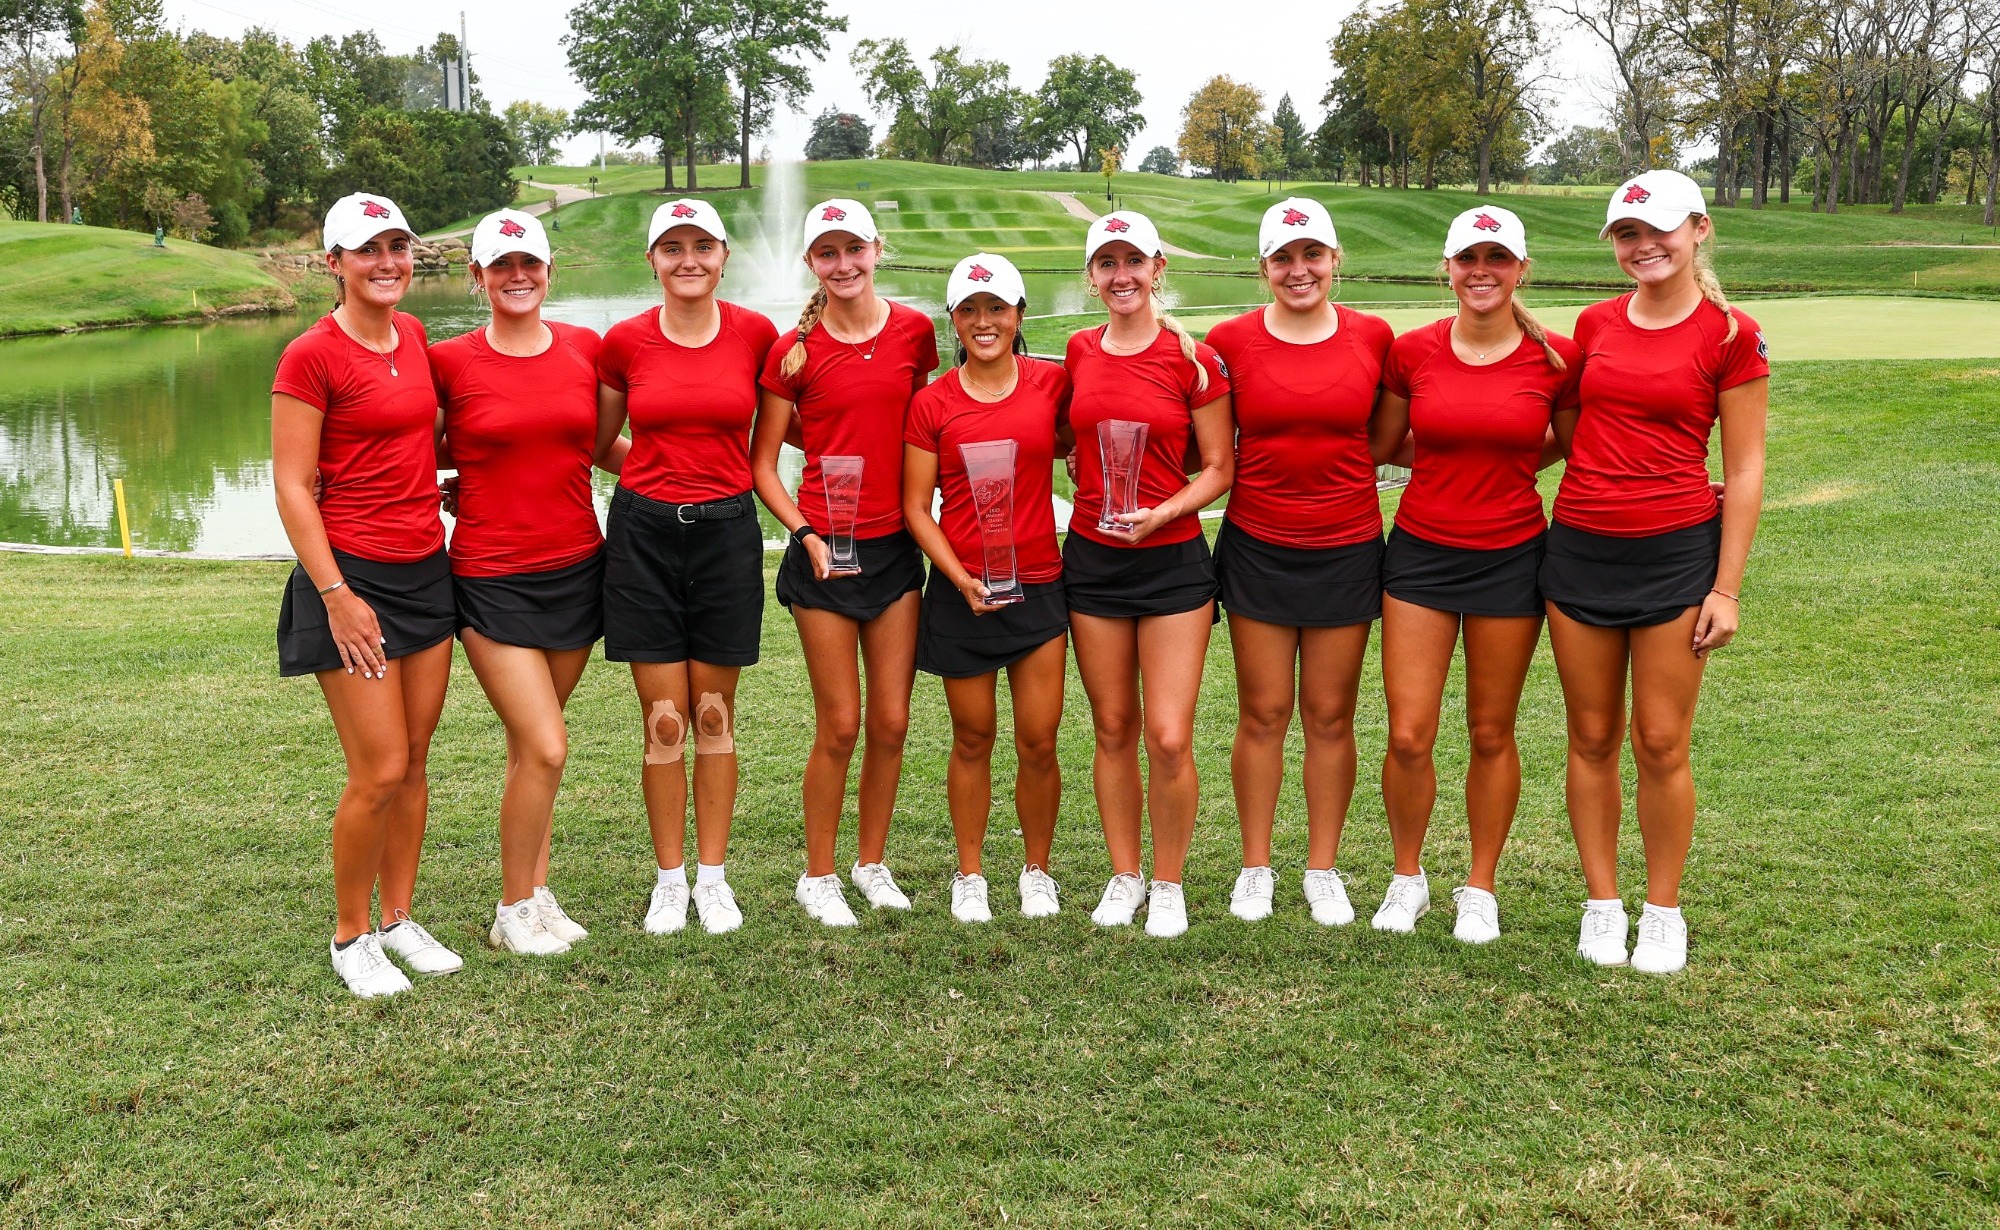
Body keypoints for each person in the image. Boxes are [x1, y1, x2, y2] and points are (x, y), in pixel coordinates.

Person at [1542, 170, 1769, 974]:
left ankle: (1662, 908)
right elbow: (1568, 434)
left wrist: (1726, 587)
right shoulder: (1594, 323)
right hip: (1579, 551)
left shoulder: (1732, 334)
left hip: (1676, 558)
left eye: (1660, 231)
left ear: (1699, 230)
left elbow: (1743, 471)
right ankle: (1603, 904)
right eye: (1628, 235)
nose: (1644, 247)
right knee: (1592, 737)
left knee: (1662, 742)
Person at [1366, 206, 1581, 944]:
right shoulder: (1412, 351)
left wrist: (1508, 464)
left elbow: (1575, 445)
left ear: (1522, 268)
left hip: (1513, 558)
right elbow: (1387, 443)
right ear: (1448, 267)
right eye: (1467, 258)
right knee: (1408, 732)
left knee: (1492, 731)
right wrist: (1457, 461)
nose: (1481, 271)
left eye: (1497, 257)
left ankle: (1480, 886)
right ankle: (1406, 878)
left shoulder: (1557, 358)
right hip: (1421, 553)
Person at [272, 192, 462, 997]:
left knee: (415, 761)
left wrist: (440, 480)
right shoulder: (309, 355)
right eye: (368, 249)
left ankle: (397, 918)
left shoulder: (414, 335)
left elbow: (414, 436)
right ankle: (351, 935)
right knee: (378, 769)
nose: (388, 262)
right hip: (353, 579)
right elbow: (290, 485)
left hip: (427, 570)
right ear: (334, 265)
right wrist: (337, 595)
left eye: (398, 246)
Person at [1204, 198, 1392, 928]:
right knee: (1263, 711)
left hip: (1345, 546)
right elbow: (1201, 442)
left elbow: (1392, 436)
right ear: (1264, 268)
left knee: (1329, 714)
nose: (1298, 270)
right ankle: (1255, 867)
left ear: (1335, 260)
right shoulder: (1228, 341)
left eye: (1311, 255)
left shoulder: (1374, 337)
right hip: (1257, 546)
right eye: (1283, 257)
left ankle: (1322, 866)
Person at [753, 199, 938, 926]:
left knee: (892, 721)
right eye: (827, 253)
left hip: (896, 550)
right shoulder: (791, 352)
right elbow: (764, 464)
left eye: (853, 249)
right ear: (812, 265)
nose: (844, 265)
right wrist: (804, 534)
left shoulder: (917, 333)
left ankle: (870, 862)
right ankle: (819, 875)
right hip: (824, 553)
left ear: (876, 249)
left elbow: (927, 425)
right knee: (840, 723)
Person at [596, 198, 778, 936]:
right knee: (665, 721)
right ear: (652, 259)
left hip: (728, 531)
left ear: (725, 254)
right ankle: (669, 882)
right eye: (672, 247)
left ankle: (713, 878)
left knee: (713, 713)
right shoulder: (624, 342)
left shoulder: (757, 336)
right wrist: (656, 480)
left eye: (702, 244)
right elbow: (601, 441)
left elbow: (771, 440)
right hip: (643, 535)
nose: (689, 259)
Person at [429, 208, 603, 957]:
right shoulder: (450, 361)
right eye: (500, 265)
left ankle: (536, 892)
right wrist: (443, 485)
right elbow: (412, 444)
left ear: (549, 268)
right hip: (491, 580)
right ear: (477, 276)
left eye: (528, 262)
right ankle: (510, 909)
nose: (517, 276)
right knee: (548, 746)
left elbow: (600, 446)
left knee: (529, 750)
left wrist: (688, 474)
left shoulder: (585, 349)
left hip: (577, 570)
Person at [1063, 210, 1233, 938]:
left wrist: (1165, 511)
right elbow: (1058, 434)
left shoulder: (1194, 358)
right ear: (1093, 276)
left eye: (1134, 260)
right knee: (1111, 727)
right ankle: (1124, 874)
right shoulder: (1074, 349)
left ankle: (1169, 882)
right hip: (1093, 559)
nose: (1121, 275)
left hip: (1172, 561)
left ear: (1158, 266)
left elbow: (1221, 467)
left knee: (1167, 735)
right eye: (1107, 263)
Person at [902, 253, 1068, 923]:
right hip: (961, 587)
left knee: (1039, 739)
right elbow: (916, 507)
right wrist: (960, 577)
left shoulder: (1053, 384)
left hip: (1039, 582)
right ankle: (970, 873)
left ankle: (1037, 871)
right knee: (972, 737)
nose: (984, 321)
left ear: (1020, 313)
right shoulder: (932, 402)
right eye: (968, 310)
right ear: (953, 321)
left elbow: (1084, 436)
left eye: (996, 307)